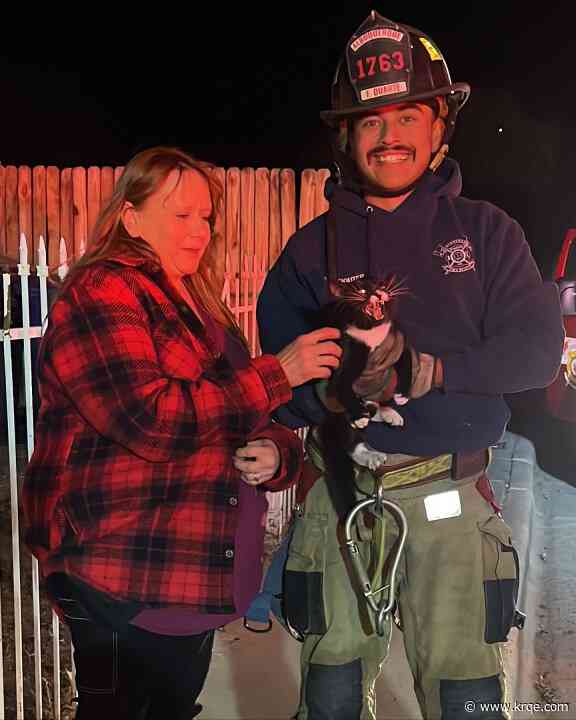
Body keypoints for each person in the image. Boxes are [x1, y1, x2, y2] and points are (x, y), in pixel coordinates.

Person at [256, 12, 564, 720]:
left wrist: (429, 372)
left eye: (407, 115)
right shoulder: (309, 252)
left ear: (439, 128)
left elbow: (534, 354)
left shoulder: (488, 233)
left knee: (466, 700)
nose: (388, 136)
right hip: (338, 502)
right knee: (330, 697)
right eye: (369, 121)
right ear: (346, 136)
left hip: (449, 503)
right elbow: (280, 389)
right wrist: (331, 398)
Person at [21, 146, 342, 720]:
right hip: (122, 574)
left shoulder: (198, 304)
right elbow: (151, 420)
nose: (200, 230)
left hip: (188, 581)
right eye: (180, 214)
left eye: (206, 217)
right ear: (131, 216)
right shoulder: (104, 292)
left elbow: (248, 413)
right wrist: (280, 372)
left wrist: (278, 453)